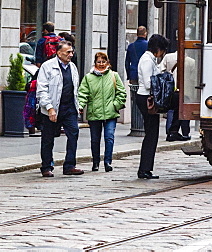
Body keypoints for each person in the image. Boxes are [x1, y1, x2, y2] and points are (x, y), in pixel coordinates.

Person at [36, 40, 84, 177]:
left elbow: (75, 88)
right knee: (48, 138)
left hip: (69, 108)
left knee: (73, 134)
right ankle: (46, 166)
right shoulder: (48, 66)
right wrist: (50, 108)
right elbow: (42, 90)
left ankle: (69, 165)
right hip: (52, 108)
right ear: (58, 53)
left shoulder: (73, 67)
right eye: (68, 52)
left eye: (72, 52)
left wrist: (78, 105)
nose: (71, 54)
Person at [77, 52, 127, 172]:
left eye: (103, 62)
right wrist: (80, 106)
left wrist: (115, 105)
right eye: (99, 62)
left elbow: (122, 92)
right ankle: (95, 162)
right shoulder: (88, 78)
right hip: (94, 113)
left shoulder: (114, 76)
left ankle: (107, 162)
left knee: (109, 137)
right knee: (95, 139)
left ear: (108, 63)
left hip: (110, 113)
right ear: (95, 63)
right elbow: (83, 93)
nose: (101, 64)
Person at [135, 33, 169, 179]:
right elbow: (149, 84)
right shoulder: (147, 61)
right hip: (146, 98)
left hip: (147, 97)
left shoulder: (150, 59)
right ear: (158, 49)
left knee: (152, 134)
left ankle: (147, 168)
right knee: (151, 134)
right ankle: (144, 169)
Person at [162, 49, 191, 142]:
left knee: (171, 110)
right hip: (185, 89)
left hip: (170, 88)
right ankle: (184, 132)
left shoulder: (168, 57)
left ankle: (170, 131)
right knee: (184, 110)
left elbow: (161, 70)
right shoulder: (191, 61)